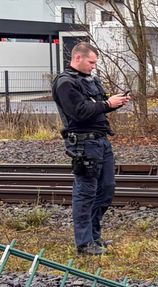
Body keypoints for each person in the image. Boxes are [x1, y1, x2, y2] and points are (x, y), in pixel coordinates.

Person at [52, 42, 129, 255]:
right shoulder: (65, 83)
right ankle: (84, 244)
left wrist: (115, 102)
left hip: (101, 140)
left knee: (106, 189)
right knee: (85, 192)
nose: (94, 67)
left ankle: (95, 238)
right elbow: (79, 111)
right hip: (83, 143)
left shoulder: (89, 80)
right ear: (78, 58)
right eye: (91, 62)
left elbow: (97, 106)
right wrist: (107, 104)